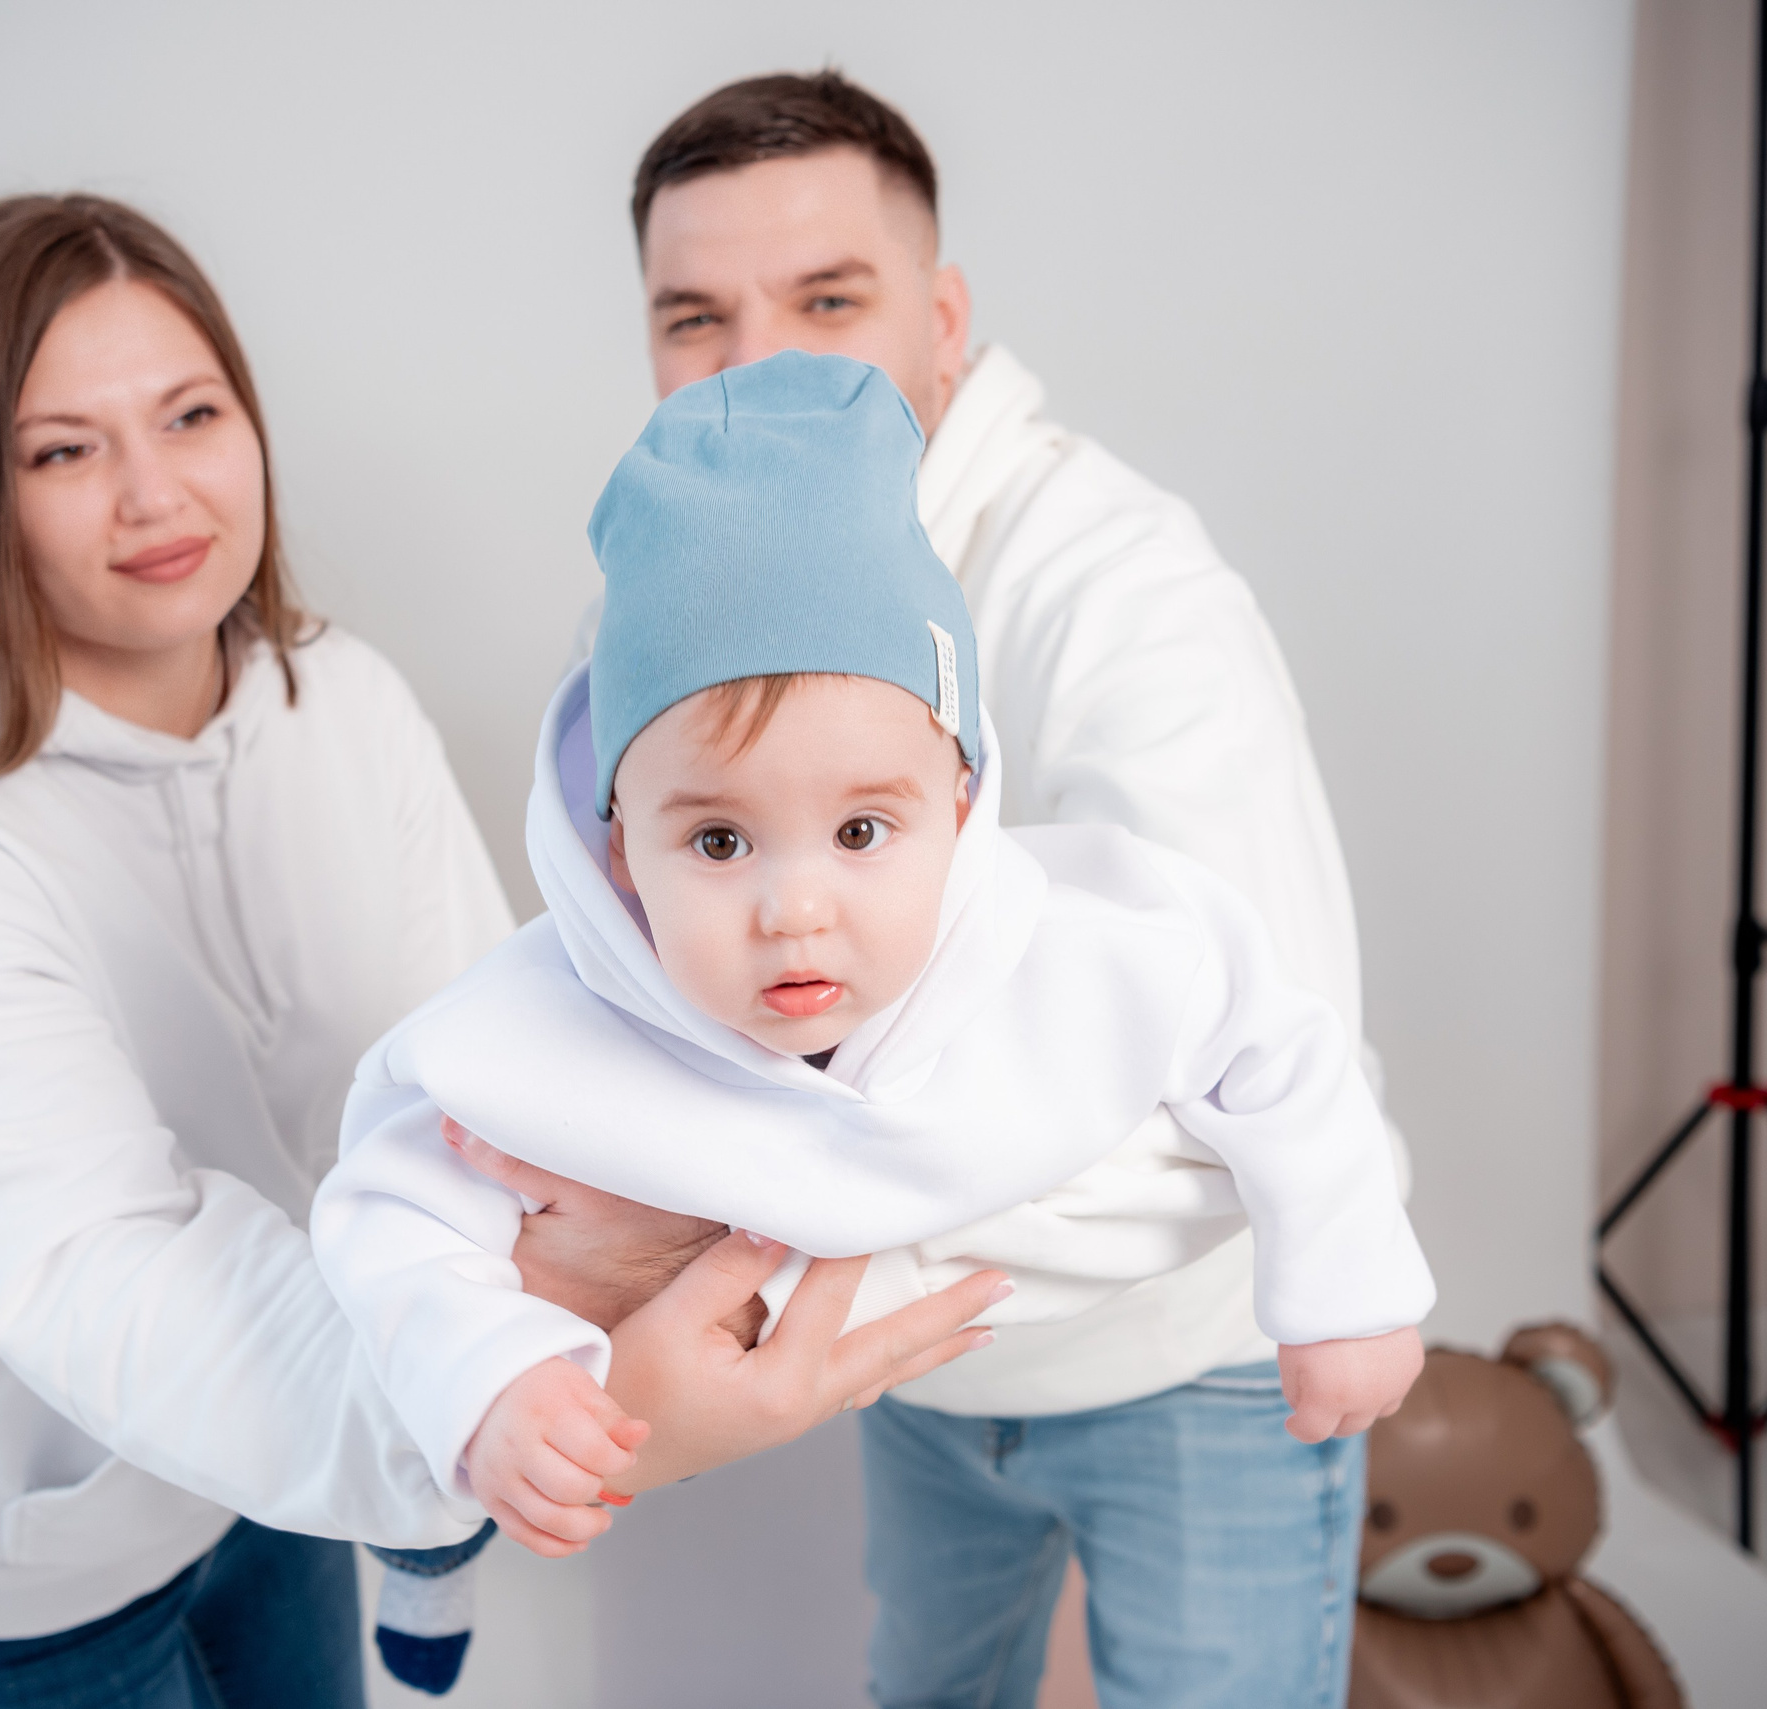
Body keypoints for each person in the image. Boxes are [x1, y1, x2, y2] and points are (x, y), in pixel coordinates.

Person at [0, 193, 998, 1709]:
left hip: (275, 1482)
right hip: (0, 1572)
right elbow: (107, 1266)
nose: (153, 492)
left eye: (192, 413)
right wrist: (550, 1401)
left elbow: (490, 1086)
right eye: (64, 450)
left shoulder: (340, 701)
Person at [487, 72, 1406, 1707]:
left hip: (1181, 1355)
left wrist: (746, 1255)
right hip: (916, 1377)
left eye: (827, 299)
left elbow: (1254, 1066)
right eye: (696, 316)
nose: (759, 361)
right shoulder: (667, 601)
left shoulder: (1127, 589)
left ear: (945, 317)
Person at [315, 352, 1429, 1690]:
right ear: (618, 855)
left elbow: (1280, 1040)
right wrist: (491, 1379)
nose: (797, 909)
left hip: (1181, 1368)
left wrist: (1345, 1276)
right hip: (930, 1405)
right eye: (719, 838)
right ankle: (428, 1561)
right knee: (925, 1671)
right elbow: (388, 1203)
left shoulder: (1078, 942)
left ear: (960, 807)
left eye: (860, 828)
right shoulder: (547, 1023)